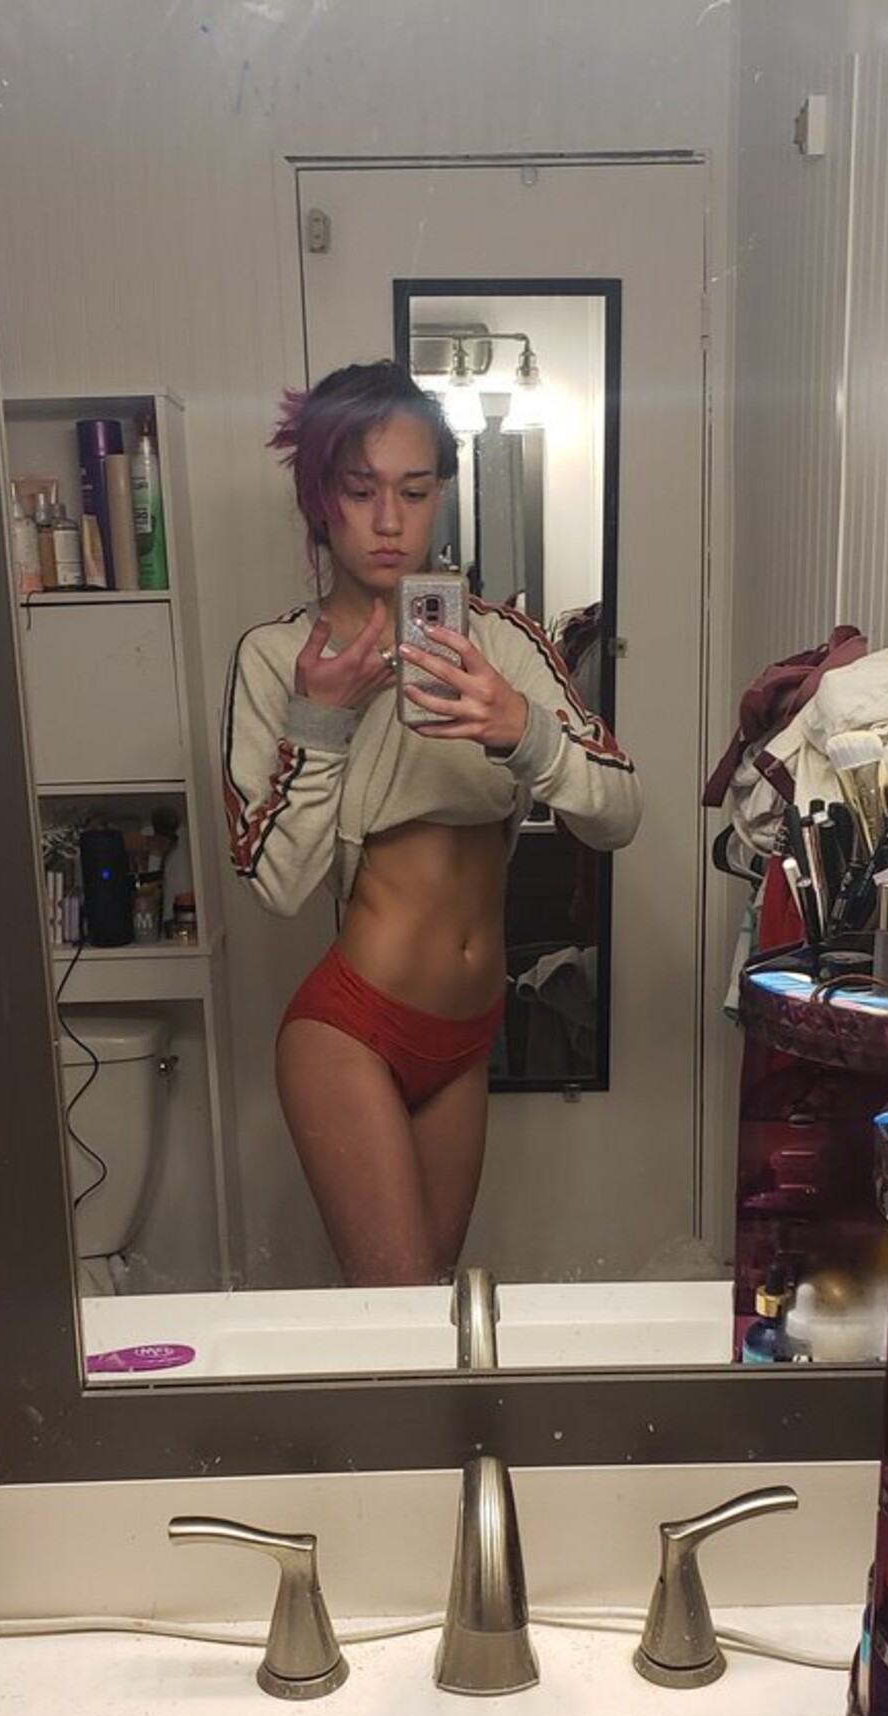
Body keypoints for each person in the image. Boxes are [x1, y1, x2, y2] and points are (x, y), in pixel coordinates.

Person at [222, 360, 642, 1286]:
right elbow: (277, 886)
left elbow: (620, 815)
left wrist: (522, 731)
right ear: (319, 498)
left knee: (429, 1315)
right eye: (360, 490)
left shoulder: (504, 645)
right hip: (350, 1028)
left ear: (442, 495)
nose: (388, 521)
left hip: (466, 1036)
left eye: (414, 492)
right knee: (401, 1306)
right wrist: (320, 721)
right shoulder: (278, 659)